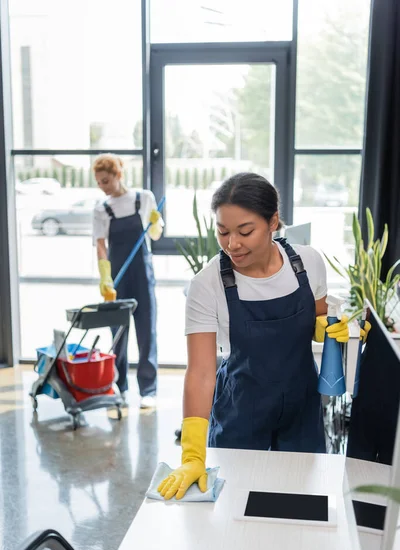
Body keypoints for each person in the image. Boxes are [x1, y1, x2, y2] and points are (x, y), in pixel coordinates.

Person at [158, 172, 370, 501]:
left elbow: (320, 319)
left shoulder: (308, 263)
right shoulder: (207, 284)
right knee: (234, 505)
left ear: (273, 222)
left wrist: (346, 328)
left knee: (302, 502)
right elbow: (200, 374)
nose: (232, 244)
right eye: (223, 231)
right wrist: (192, 456)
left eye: (245, 231)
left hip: (302, 408)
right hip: (241, 409)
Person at [92, 154, 163, 409]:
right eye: (99, 183)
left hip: (143, 275)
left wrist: (157, 223)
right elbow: (101, 246)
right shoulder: (101, 209)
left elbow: (154, 235)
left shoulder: (143, 198)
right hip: (118, 278)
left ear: (118, 175)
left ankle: (148, 389)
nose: (103, 186)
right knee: (118, 333)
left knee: (147, 332)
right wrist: (105, 279)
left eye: (106, 181)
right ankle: (119, 387)